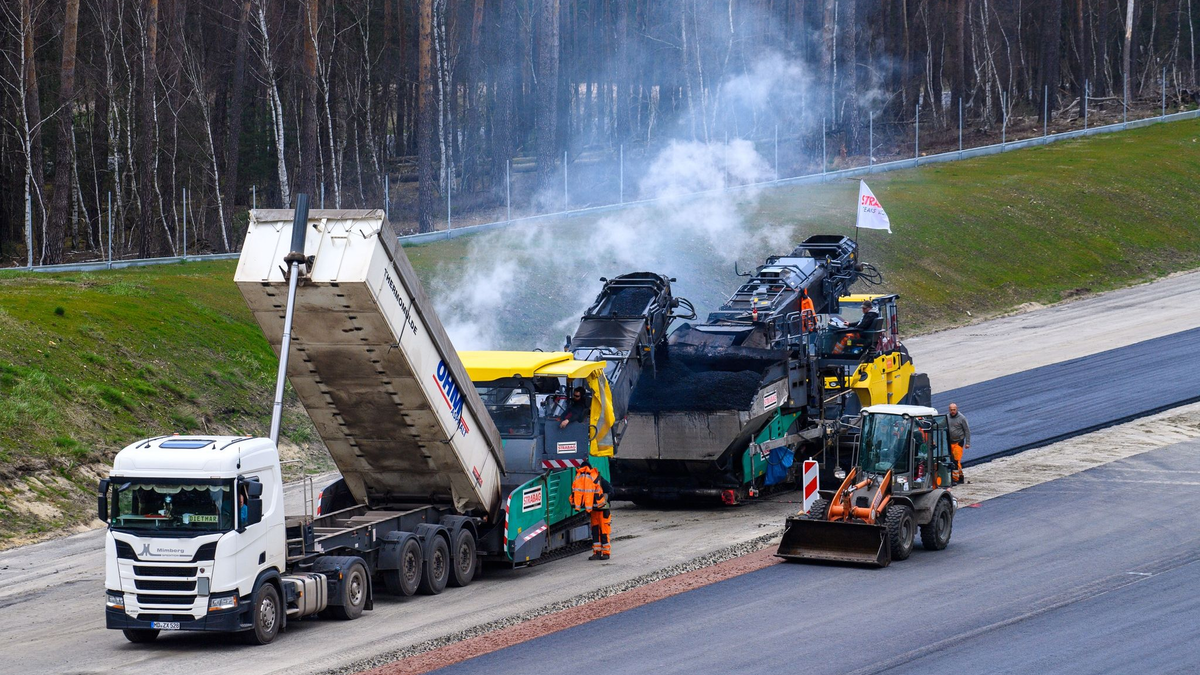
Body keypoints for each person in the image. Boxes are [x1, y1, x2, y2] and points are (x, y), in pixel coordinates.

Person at [570, 459, 613, 560]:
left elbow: (575, 495)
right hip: (596, 510)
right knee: (597, 532)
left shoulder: (580, 479)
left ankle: (605, 552)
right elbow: (611, 491)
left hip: (602, 511)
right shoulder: (596, 478)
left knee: (602, 532)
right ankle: (598, 552)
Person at [947, 403, 970, 485]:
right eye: (951, 410)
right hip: (950, 442)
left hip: (958, 442)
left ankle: (955, 479)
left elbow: (967, 430)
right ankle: (961, 477)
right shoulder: (947, 418)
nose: (952, 411)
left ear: (956, 409)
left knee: (956, 461)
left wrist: (967, 443)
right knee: (953, 461)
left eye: (954, 410)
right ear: (949, 410)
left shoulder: (962, 418)